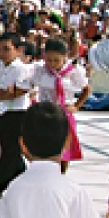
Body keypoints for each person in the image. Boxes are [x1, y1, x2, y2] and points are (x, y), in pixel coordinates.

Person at [31, 38, 90, 172]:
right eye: (49, 59)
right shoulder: (40, 70)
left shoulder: (74, 72)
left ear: (65, 57)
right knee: (43, 146)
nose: (52, 63)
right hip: (45, 113)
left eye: (56, 60)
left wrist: (76, 105)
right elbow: (30, 85)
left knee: (63, 148)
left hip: (63, 114)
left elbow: (87, 89)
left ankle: (61, 174)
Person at [0, 33, 32, 198]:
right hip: (3, 111)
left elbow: (23, 88)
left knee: (11, 151)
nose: (2, 53)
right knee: (7, 147)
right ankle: (20, 174)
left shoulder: (20, 68)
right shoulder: (2, 67)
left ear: (18, 50)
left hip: (17, 113)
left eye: (6, 49)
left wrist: (8, 94)